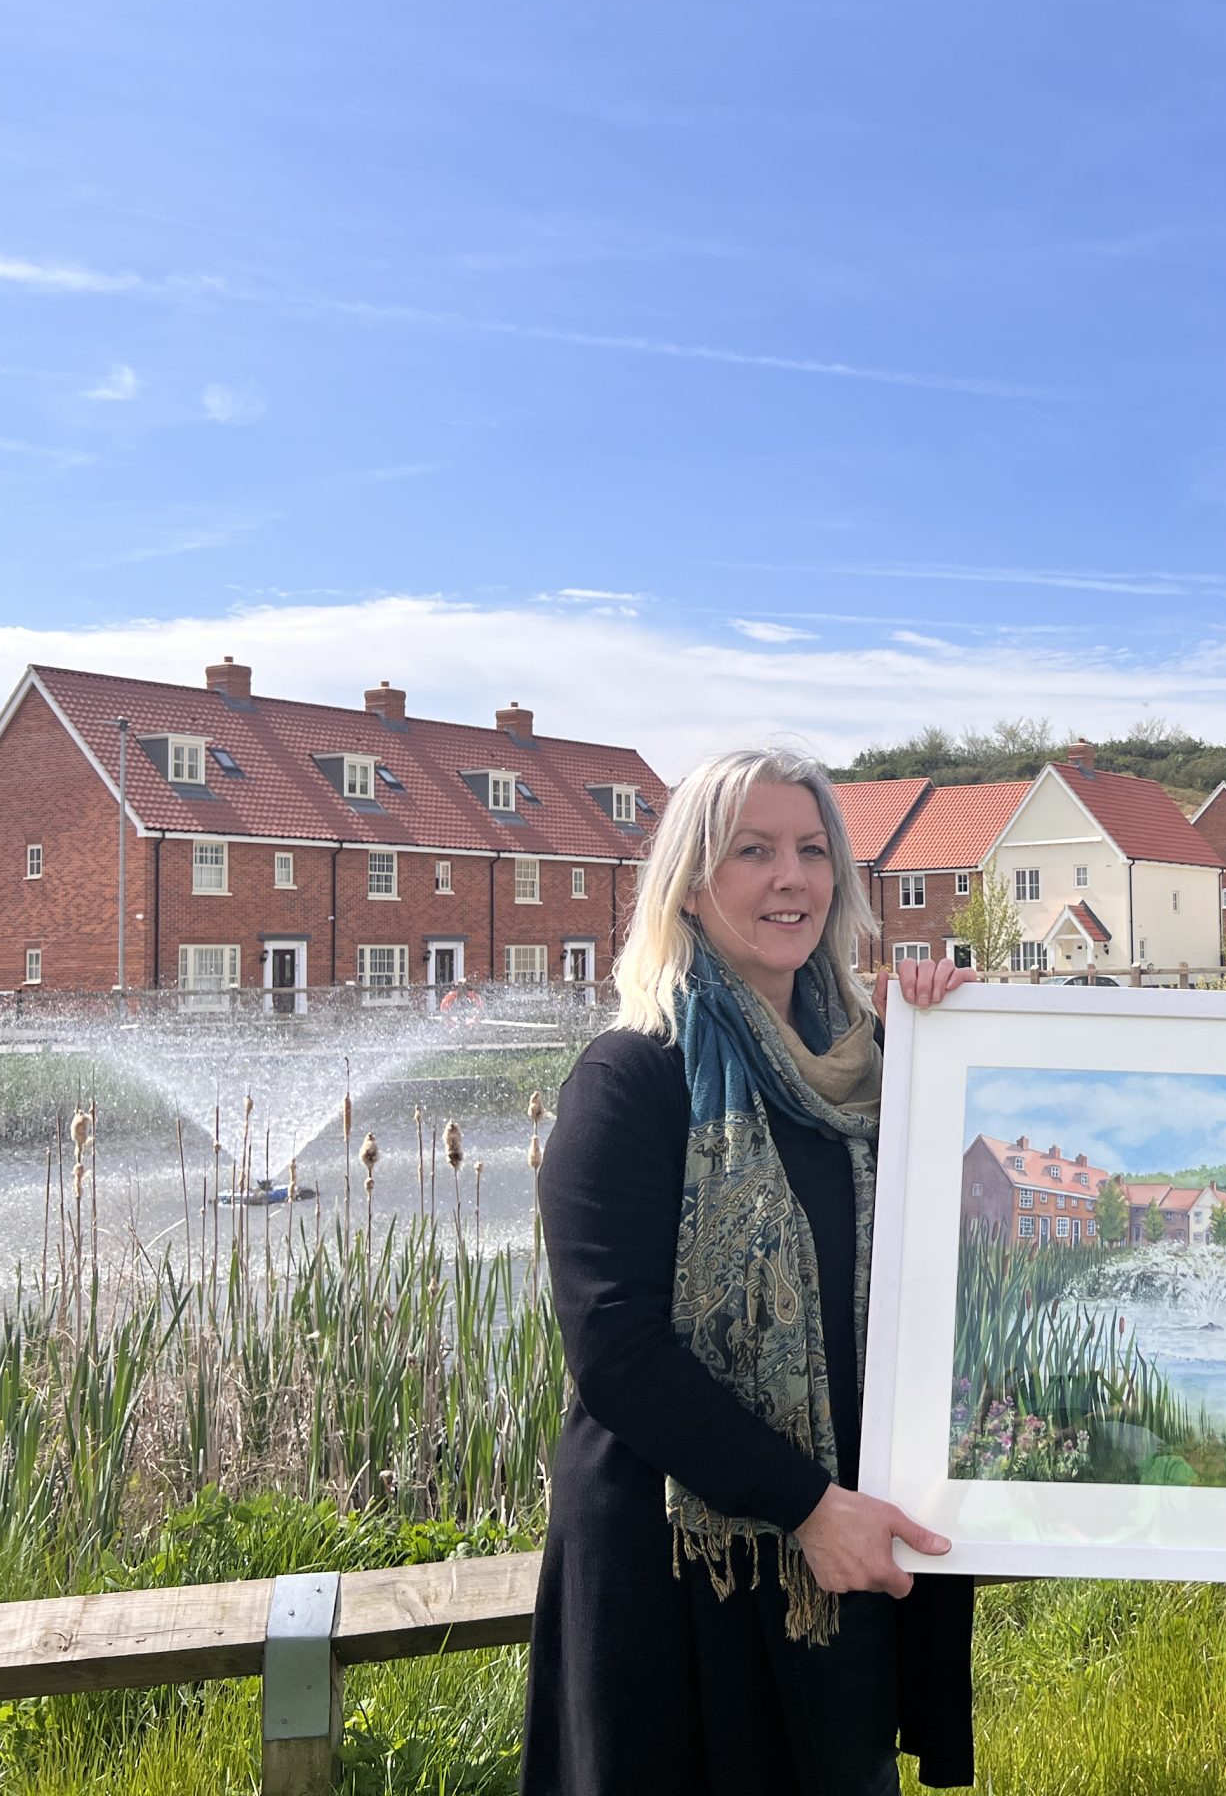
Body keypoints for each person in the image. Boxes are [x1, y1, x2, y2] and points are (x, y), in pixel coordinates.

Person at [522, 747, 977, 1794]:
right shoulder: (633, 1073)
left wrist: (961, 1038)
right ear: (689, 883)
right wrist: (808, 1506)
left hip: (842, 1562)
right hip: (681, 1568)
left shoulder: (879, 1074)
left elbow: (963, 1248)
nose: (793, 877)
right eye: (754, 851)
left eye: (814, 851)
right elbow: (615, 1349)